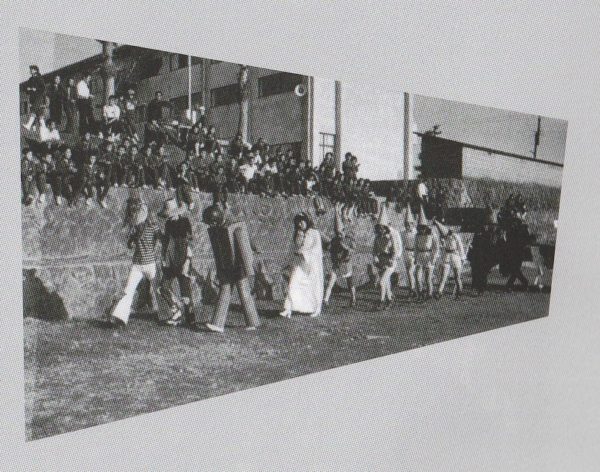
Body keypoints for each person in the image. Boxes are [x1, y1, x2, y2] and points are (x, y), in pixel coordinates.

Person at [202, 204, 261, 333]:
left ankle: (253, 322)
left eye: (211, 223)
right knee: (225, 291)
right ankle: (218, 324)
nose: (210, 226)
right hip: (227, 266)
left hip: (238, 265)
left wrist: (248, 266)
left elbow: (244, 244)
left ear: (216, 219)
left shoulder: (234, 226)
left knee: (244, 292)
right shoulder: (220, 228)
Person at [108, 193, 161, 327]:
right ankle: (120, 317)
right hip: (137, 264)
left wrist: (156, 246)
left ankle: (169, 314)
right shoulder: (135, 229)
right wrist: (132, 242)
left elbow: (160, 238)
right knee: (128, 289)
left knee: (158, 289)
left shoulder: (152, 226)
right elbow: (130, 244)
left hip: (150, 263)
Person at [158, 198, 198, 329]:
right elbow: (167, 242)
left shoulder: (184, 222)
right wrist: (164, 257)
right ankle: (176, 312)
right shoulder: (168, 224)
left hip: (183, 258)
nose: (169, 216)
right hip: (171, 259)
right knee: (163, 287)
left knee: (185, 291)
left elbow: (190, 243)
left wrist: (187, 261)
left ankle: (191, 319)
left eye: (170, 213)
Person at [279, 212, 324, 318]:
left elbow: (317, 248)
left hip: (312, 263)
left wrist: (304, 253)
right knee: (293, 282)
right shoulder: (299, 233)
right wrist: (299, 238)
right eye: (298, 222)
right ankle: (288, 309)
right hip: (300, 263)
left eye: (302, 221)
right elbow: (296, 247)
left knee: (313, 286)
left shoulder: (314, 233)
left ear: (307, 221)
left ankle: (316, 309)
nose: (300, 224)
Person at [323, 204, 356, 308]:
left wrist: (345, 247)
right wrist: (329, 246)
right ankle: (325, 300)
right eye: (337, 233)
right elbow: (329, 248)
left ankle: (353, 298)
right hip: (336, 264)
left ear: (344, 231)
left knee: (350, 282)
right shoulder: (334, 240)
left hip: (346, 264)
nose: (339, 235)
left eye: (340, 233)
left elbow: (352, 250)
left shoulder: (349, 239)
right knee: (331, 282)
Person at [433, 218, 466, 300]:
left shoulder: (456, 237)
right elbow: (442, 248)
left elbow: (460, 247)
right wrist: (442, 243)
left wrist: (462, 258)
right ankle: (439, 292)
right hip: (446, 256)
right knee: (444, 275)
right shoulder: (443, 238)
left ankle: (459, 291)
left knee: (457, 276)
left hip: (455, 256)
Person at [468, 211, 498, 295]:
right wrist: (471, 246)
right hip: (476, 255)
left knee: (483, 272)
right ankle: (476, 286)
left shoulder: (490, 234)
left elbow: (491, 245)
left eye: (487, 225)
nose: (485, 226)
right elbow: (474, 242)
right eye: (484, 225)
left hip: (485, 256)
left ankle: (481, 288)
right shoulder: (478, 232)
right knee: (475, 271)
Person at [413, 205, 439, 301]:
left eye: (423, 228)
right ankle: (420, 293)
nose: (421, 230)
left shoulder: (432, 235)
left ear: (425, 227)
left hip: (429, 256)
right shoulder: (417, 235)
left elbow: (436, 247)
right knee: (417, 277)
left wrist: (433, 258)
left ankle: (429, 293)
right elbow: (415, 247)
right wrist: (415, 258)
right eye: (419, 228)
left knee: (428, 278)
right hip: (420, 256)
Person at [22, 65, 47, 131]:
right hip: (32, 98)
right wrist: (27, 89)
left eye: (32, 69)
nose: (30, 70)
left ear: (35, 70)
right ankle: (45, 128)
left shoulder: (39, 78)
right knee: (39, 113)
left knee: (33, 110)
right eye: (30, 69)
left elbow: (43, 88)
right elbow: (25, 87)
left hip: (39, 97)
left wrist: (36, 89)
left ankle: (28, 125)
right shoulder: (30, 79)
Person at [401, 203, 418, 299]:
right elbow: (401, 244)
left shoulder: (416, 232)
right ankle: (413, 289)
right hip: (406, 253)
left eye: (409, 224)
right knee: (409, 272)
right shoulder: (403, 233)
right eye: (406, 224)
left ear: (412, 224)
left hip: (414, 254)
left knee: (411, 271)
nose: (407, 226)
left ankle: (412, 289)